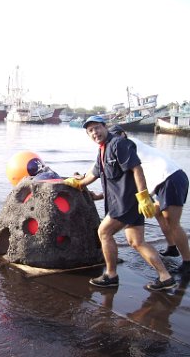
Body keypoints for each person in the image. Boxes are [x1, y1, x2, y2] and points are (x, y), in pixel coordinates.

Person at [63, 115, 176, 291]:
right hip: (125, 203)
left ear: (104, 127)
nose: (95, 132)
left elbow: (136, 169)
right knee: (136, 242)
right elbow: (93, 175)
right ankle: (165, 277)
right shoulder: (101, 151)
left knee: (104, 232)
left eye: (97, 128)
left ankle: (111, 275)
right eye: (90, 130)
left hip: (127, 202)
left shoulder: (119, 144)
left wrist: (144, 197)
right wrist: (77, 183)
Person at [107, 124, 190, 274]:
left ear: (123, 134)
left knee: (174, 224)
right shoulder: (125, 146)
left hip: (170, 178)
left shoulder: (126, 145)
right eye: (111, 138)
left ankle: (188, 262)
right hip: (163, 181)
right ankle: (172, 248)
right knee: (158, 212)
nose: (114, 141)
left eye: (116, 136)